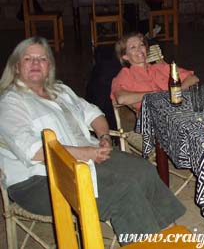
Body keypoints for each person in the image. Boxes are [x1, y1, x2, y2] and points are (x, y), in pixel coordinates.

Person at [0, 37, 186, 243]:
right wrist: (86, 153)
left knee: (143, 170)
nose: (36, 63)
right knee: (123, 192)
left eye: (42, 59)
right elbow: (34, 150)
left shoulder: (60, 91)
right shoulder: (10, 102)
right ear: (16, 66)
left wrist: (104, 137)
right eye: (28, 59)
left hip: (86, 158)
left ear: (49, 66)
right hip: (38, 180)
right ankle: (146, 244)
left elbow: (93, 114)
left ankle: (172, 237)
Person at [111, 32, 199, 111]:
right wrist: (155, 95)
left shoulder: (160, 67)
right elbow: (121, 98)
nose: (139, 50)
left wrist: (175, 92)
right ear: (125, 56)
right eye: (133, 47)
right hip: (153, 117)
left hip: (178, 109)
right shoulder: (126, 74)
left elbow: (193, 78)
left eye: (141, 45)